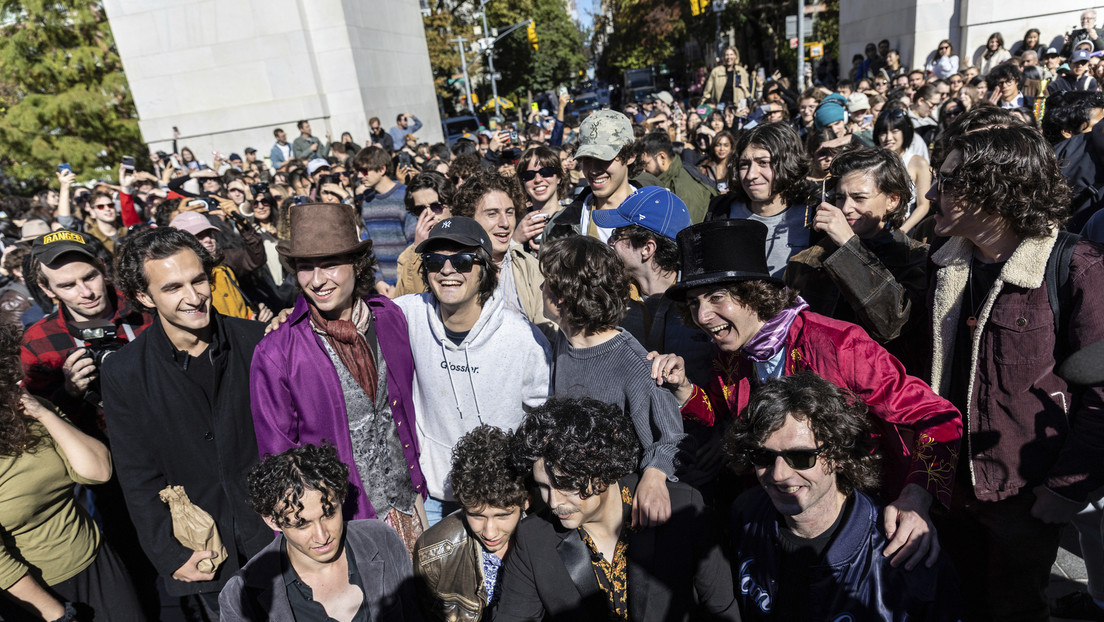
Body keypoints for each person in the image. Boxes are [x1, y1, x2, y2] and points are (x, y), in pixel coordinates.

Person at [651, 218, 964, 570]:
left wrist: (916, 497)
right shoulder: (733, 355)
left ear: (754, 293)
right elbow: (718, 410)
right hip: (786, 517)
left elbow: (939, 418)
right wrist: (682, 388)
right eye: (694, 303)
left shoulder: (840, 344)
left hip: (869, 522)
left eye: (716, 298)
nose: (703, 315)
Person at [925, 125, 1104, 621]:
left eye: (949, 182)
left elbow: (1101, 394)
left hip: (1024, 500)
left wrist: (1065, 489)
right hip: (952, 486)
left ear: (997, 190)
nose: (931, 193)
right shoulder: (945, 264)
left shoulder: (1075, 267)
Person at [102, 227, 274, 617]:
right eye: (173, 288)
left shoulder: (259, 341)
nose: (194, 297)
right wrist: (170, 554)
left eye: (199, 280)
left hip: (279, 535)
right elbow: (137, 473)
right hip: (206, 550)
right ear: (145, 297)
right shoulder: (124, 372)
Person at [250, 202, 429, 548]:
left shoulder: (390, 318)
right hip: (343, 528)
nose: (317, 281)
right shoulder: (276, 353)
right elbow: (279, 464)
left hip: (411, 506)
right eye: (305, 267)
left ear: (357, 264)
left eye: (330, 264)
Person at [728, 373, 962, 620]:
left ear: (839, 454)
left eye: (800, 457)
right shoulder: (746, 514)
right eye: (763, 456)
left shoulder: (902, 551)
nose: (779, 474)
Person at [493, 396, 740, 621]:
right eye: (544, 487)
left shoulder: (682, 508)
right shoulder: (535, 538)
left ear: (602, 466)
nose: (554, 502)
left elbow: (721, 611)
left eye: (565, 484)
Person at [393, 217, 550, 525]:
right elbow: (354, 314)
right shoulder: (407, 315)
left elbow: (543, 415)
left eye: (463, 260)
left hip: (499, 497)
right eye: (435, 261)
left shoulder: (523, 338)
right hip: (435, 493)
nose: (447, 270)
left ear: (486, 268)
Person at [540, 234, 687, 526]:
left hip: (616, 517)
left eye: (546, 281)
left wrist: (655, 475)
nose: (540, 287)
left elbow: (670, 437)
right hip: (570, 504)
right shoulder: (563, 341)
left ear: (564, 295)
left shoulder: (633, 363)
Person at [219, 443, 422, 621]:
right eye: (302, 524)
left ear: (342, 497)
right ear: (272, 521)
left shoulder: (380, 539)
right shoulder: (242, 593)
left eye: (329, 514)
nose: (322, 536)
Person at [21, 231, 152, 416]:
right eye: (68, 285)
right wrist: (69, 391)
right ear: (46, 289)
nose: (86, 292)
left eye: (90, 277)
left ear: (103, 269)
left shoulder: (146, 309)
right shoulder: (37, 342)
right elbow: (37, 414)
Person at [413, 425, 529, 621]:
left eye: (502, 516)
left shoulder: (547, 540)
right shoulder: (432, 554)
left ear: (526, 501)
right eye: (477, 516)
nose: (490, 533)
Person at [704, 122, 814, 278]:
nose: (751, 175)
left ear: (788, 163)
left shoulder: (814, 216)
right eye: (744, 164)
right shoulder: (719, 212)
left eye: (763, 163)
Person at [449, 169, 553, 332]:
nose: (505, 223)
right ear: (469, 218)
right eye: (492, 214)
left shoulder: (531, 268)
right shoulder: (449, 269)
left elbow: (549, 334)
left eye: (509, 213)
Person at [544, 110, 660, 244]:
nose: (594, 170)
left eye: (604, 158)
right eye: (587, 159)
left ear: (630, 156)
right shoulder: (559, 227)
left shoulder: (660, 212)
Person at [394, 171, 455, 297]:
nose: (429, 214)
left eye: (436, 207)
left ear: (451, 205)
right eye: (420, 210)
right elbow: (404, 301)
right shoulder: (407, 257)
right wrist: (418, 252)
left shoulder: (472, 241)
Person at [874, 108, 933, 233]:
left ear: (905, 132)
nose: (888, 138)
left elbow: (923, 205)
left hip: (902, 226)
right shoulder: (872, 161)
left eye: (894, 131)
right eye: (883, 133)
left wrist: (902, 231)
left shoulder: (919, 162)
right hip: (872, 225)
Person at [636, 131, 716, 223]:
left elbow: (685, 230)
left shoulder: (684, 188)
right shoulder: (666, 178)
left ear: (662, 157)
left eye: (646, 163)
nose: (643, 169)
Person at [511, 145, 570, 252]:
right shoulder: (514, 222)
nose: (538, 179)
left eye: (546, 172)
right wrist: (515, 241)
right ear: (522, 182)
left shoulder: (575, 219)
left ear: (559, 177)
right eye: (529, 175)